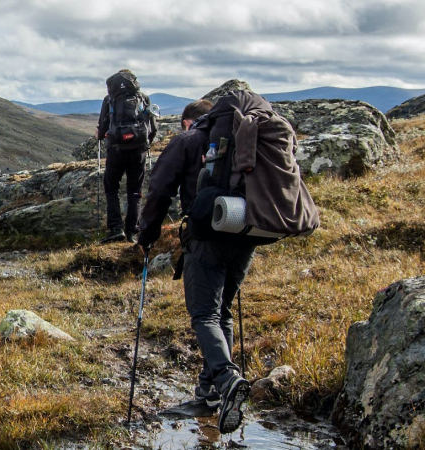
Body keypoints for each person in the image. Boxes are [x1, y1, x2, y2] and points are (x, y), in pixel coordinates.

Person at [135, 98, 255, 433]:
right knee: (222, 312)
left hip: (207, 235)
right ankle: (211, 394)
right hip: (247, 231)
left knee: (205, 314)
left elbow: (159, 190)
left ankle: (227, 380)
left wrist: (146, 235)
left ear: (190, 122)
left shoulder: (187, 140)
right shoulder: (249, 136)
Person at [96, 69, 157, 244]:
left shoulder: (109, 100)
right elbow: (152, 128)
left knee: (111, 187)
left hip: (116, 150)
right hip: (138, 151)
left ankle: (116, 229)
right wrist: (146, 145)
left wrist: (99, 135)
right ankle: (132, 232)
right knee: (135, 191)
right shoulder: (143, 98)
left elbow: (102, 129)